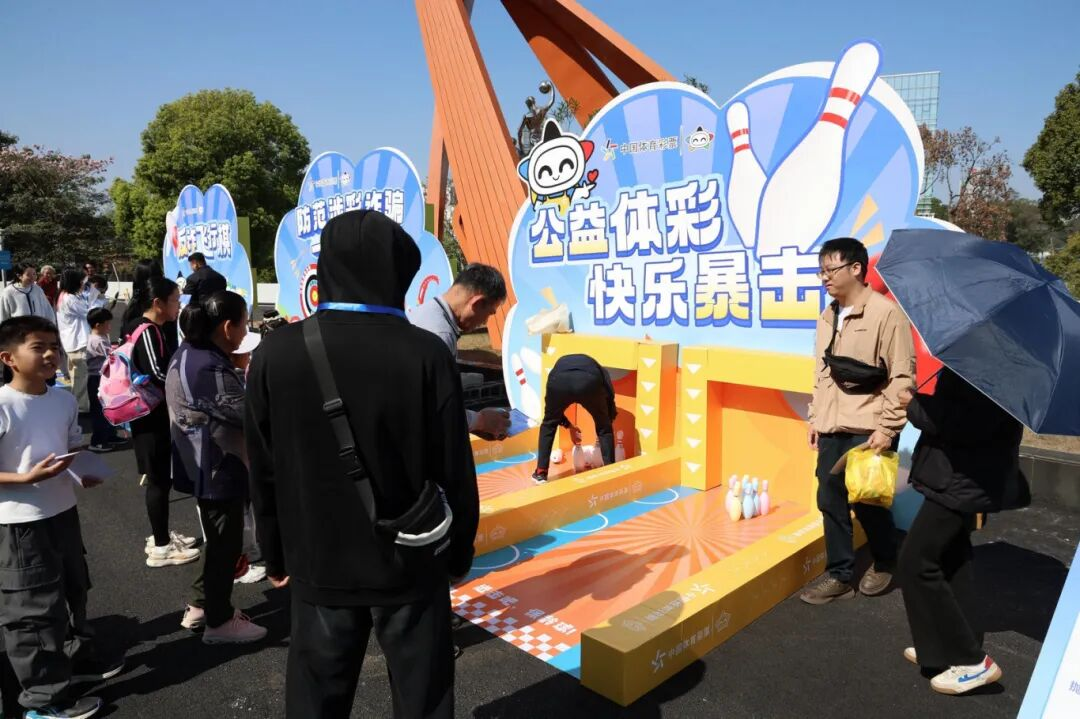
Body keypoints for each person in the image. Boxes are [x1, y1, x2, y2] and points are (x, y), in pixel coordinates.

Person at [246, 209, 478, 719]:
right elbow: (454, 467)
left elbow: (263, 467)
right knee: (423, 697)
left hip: (317, 556)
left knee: (316, 699)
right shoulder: (426, 354)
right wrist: (459, 550)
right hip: (410, 557)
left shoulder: (275, 353)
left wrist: (275, 552)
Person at [0, 315, 124, 719]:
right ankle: (43, 702)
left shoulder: (64, 400)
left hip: (63, 512)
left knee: (74, 588)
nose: (51, 354)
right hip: (19, 524)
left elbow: (69, 448)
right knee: (32, 611)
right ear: (8, 358)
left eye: (54, 346)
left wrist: (81, 472)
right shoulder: (2, 404)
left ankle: (73, 662)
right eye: (38, 347)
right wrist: (24, 479)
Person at [800, 237, 915, 605]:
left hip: (869, 427)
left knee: (868, 502)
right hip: (831, 425)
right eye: (821, 271)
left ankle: (885, 561)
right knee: (829, 499)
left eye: (830, 270)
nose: (824, 278)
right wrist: (816, 417)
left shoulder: (886, 314)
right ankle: (839, 575)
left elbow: (902, 377)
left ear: (856, 268)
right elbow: (821, 373)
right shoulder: (827, 316)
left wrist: (887, 429)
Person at [895, 369, 1021, 694]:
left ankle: (971, 660)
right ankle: (943, 648)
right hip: (958, 477)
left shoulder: (990, 367)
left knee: (915, 562)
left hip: (962, 480)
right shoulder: (985, 361)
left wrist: (915, 405)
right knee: (953, 561)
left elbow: (965, 423)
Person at [167, 291, 268, 644]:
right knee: (225, 542)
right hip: (216, 467)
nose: (245, 332)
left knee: (220, 540)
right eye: (244, 324)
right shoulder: (209, 366)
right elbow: (251, 414)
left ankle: (200, 604)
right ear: (227, 327)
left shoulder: (192, 352)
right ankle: (220, 621)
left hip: (204, 463)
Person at [129, 276, 200, 568]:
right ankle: (161, 546)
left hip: (151, 416)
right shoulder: (148, 330)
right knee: (158, 480)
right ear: (158, 303)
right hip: (151, 418)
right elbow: (159, 373)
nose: (178, 306)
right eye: (175, 301)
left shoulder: (147, 328)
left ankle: (161, 535)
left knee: (159, 479)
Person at [407, 263, 511, 439]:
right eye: (489, 313)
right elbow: (433, 408)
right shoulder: (440, 335)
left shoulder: (425, 312)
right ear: (476, 303)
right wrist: (481, 421)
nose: (484, 322)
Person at [532, 353, 617, 483]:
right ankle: (611, 472)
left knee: (548, 424)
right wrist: (608, 418)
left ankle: (541, 472)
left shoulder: (556, 371)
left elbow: (552, 414)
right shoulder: (601, 370)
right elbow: (610, 394)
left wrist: (568, 425)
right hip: (589, 381)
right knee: (604, 428)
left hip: (559, 381)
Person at [56, 269, 96, 414]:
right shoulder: (70, 299)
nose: (83, 284)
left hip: (71, 342)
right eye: (82, 282)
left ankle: (77, 405)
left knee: (76, 377)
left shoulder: (63, 295)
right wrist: (96, 296)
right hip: (78, 342)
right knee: (81, 379)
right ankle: (81, 407)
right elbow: (89, 313)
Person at [84, 308, 121, 453]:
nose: (110, 327)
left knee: (108, 408)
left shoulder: (101, 337)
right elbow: (111, 357)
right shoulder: (97, 340)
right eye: (107, 324)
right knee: (100, 411)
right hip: (97, 379)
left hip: (102, 378)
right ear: (98, 325)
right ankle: (98, 441)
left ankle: (110, 435)